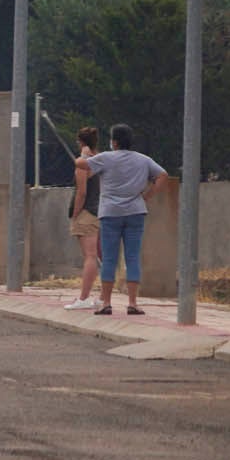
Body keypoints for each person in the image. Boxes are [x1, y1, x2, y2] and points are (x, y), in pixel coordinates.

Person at [77, 124, 168, 316]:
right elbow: (162, 175)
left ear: (114, 141)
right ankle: (133, 302)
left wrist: (85, 153)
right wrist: (147, 195)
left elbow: (80, 164)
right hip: (136, 211)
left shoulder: (106, 158)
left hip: (110, 212)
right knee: (132, 257)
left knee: (109, 258)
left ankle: (106, 302)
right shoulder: (143, 160)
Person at [63, 127, 103, 310]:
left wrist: (76, 213)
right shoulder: (101, 160)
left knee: (90, 256)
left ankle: (84, 297)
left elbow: (82, 192)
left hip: (87, 211)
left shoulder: (82, 164)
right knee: (102, 255)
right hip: (100, 210)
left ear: (80, 142)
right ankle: (103, 297)